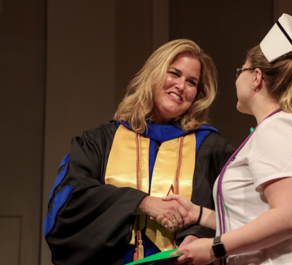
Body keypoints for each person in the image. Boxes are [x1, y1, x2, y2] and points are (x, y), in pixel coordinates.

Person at [157, 14, 292, 265]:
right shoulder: (275, 128)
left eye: (239, 70)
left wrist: (214, 247)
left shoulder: (279, 128)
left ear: (256, 77)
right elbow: (253, 221)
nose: (236, 78)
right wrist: (196, 214)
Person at [44, 39, 235, 265]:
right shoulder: (101, 141)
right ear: (153, 74)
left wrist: (199, 234)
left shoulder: (211, 149)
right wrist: (142, 202)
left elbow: (237, 211)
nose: (181, 86)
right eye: (174, 73)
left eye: (191, 82)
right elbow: (68, 203)